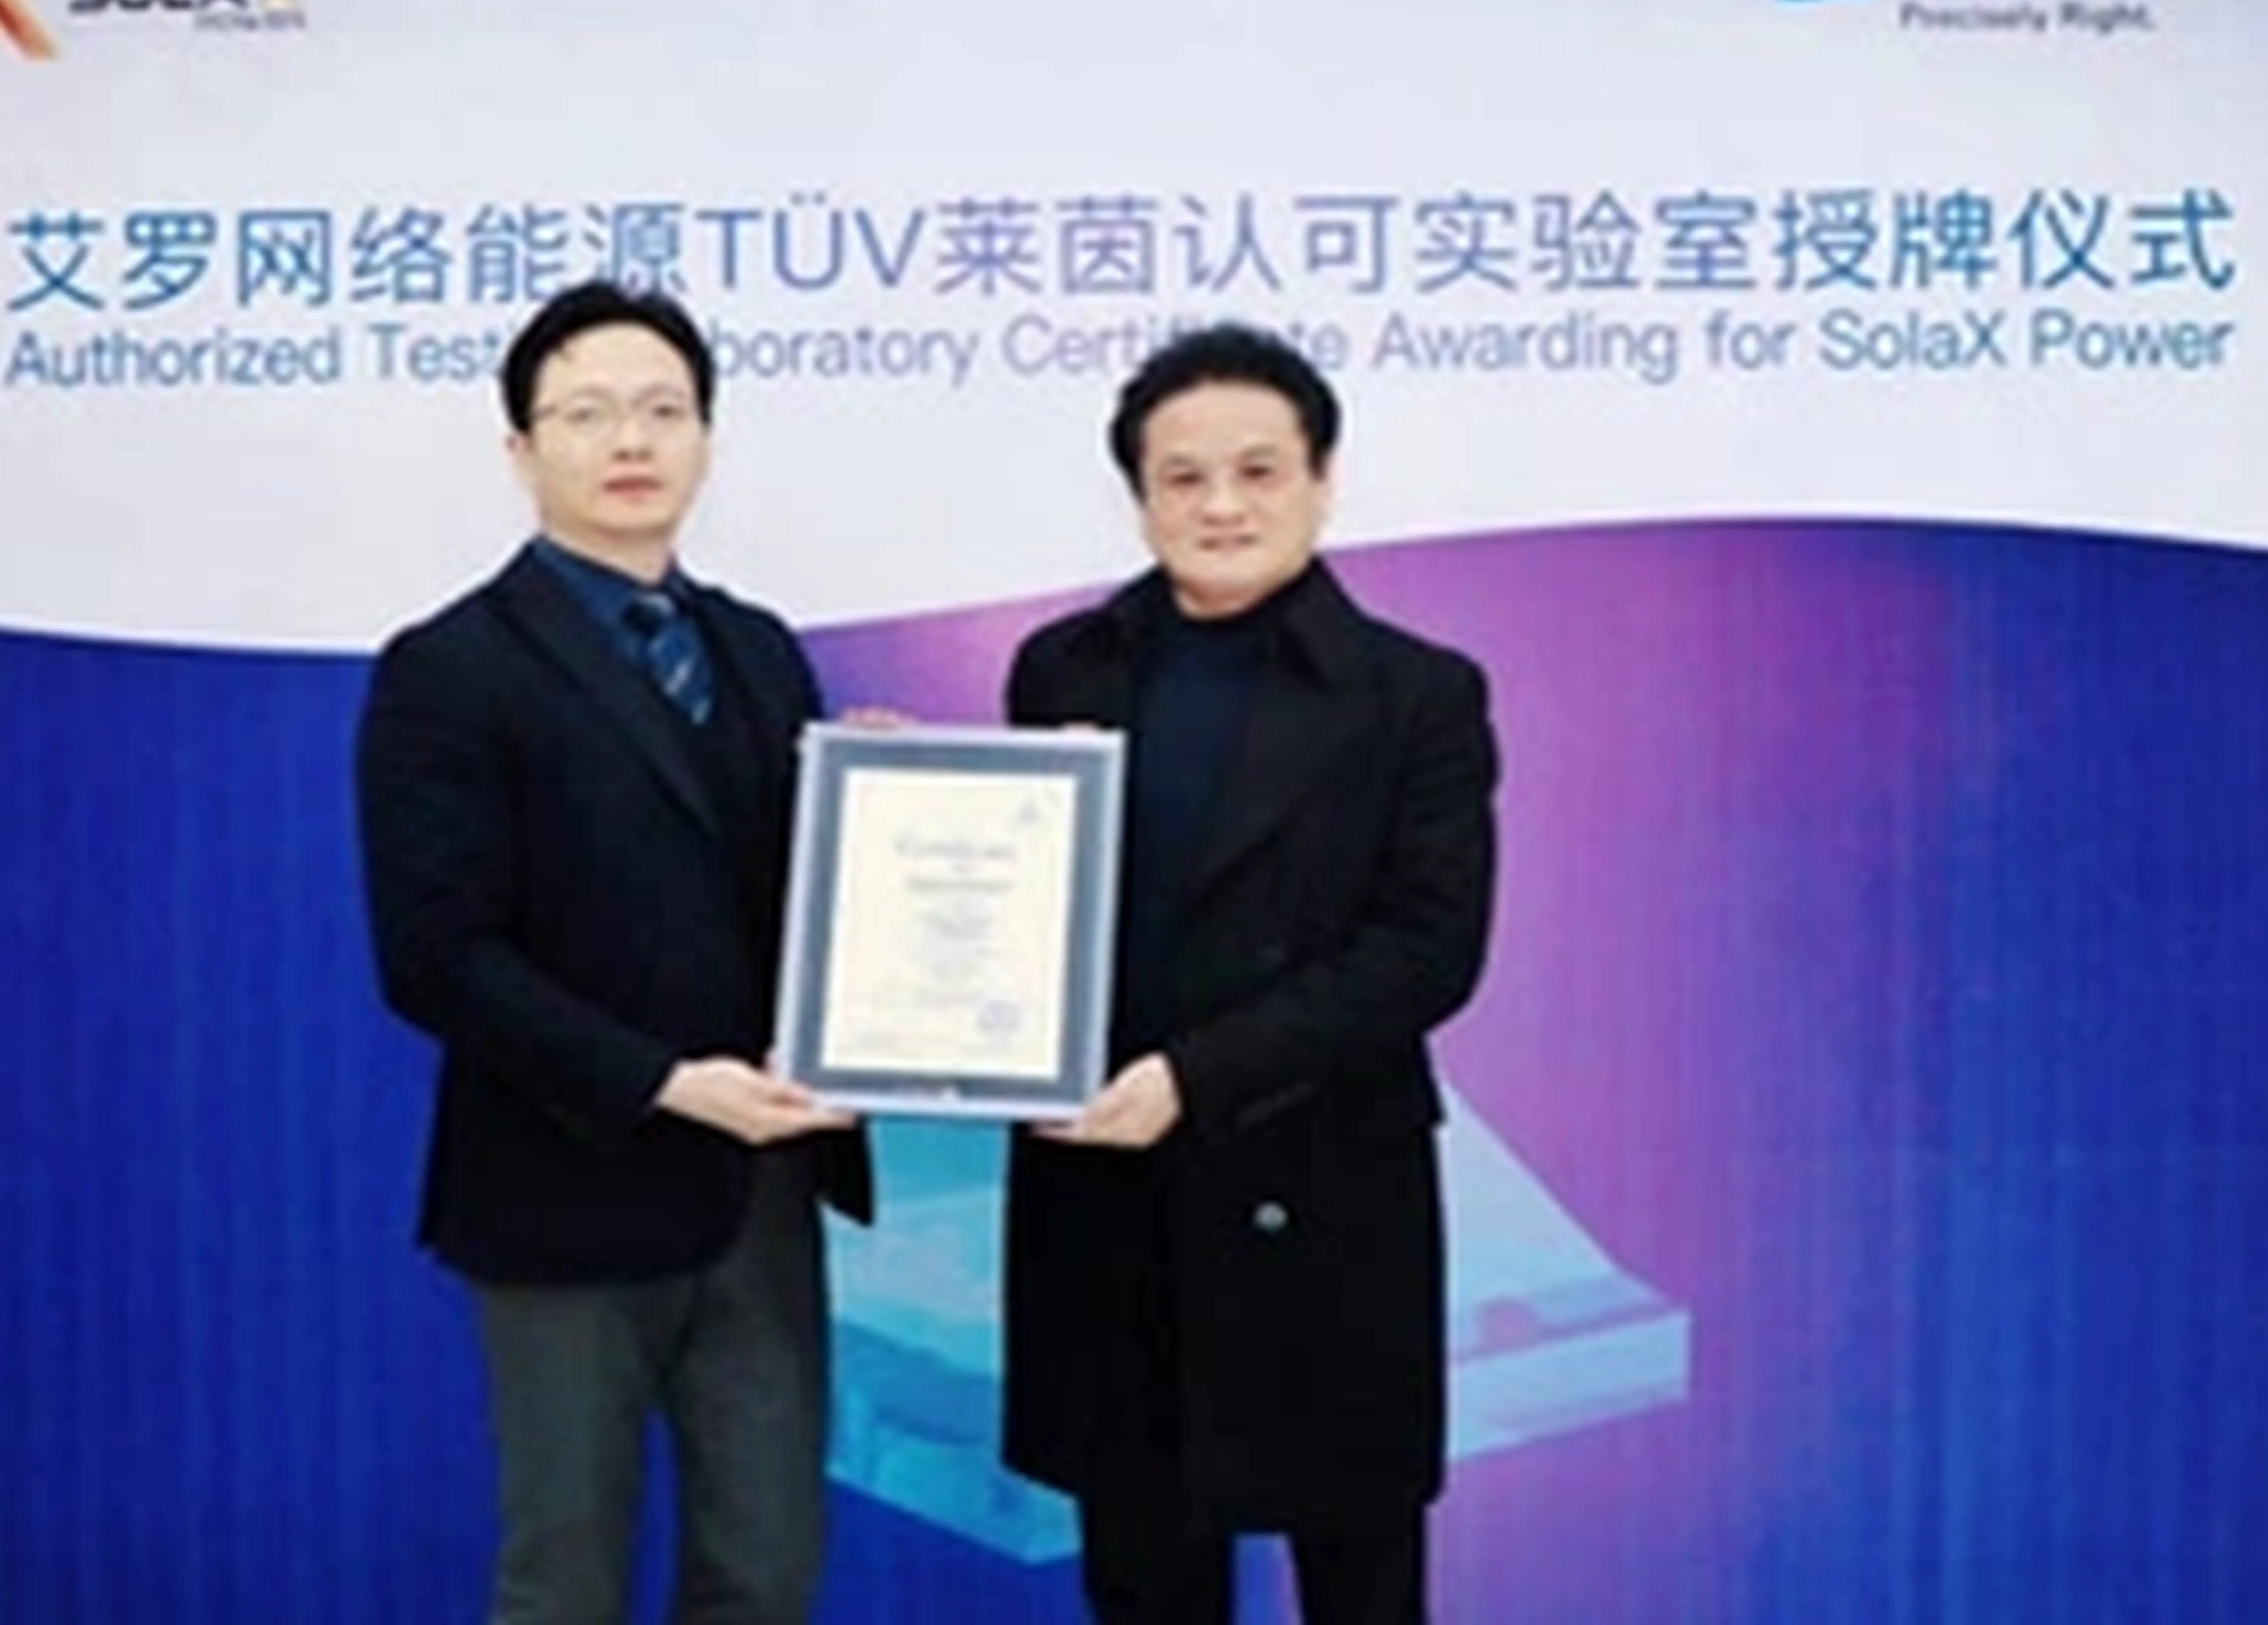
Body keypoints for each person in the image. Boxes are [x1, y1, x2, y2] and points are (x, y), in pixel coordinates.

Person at [354, 280, 870, 1625]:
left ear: (706, 437)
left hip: (759, 1195)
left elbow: (806, 901)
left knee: (765, 1575)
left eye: (662, 410)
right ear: (522, 449)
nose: (630, 440)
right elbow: (436, 957)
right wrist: (663, 1082)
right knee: (565, 1584)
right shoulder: (449, 666)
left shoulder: (759, 652)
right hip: (562, 1195)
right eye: (586, 413)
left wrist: (906, 813)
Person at [999, 325, 1500, 1625]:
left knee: (1358, 1580)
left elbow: (1426, 950)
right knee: (1143, 1574)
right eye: (1184, 477)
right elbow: (1029, 900)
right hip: (1115, 1194)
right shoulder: (1063, 668)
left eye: (1259, 471)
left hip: (1322, 1187)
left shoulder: (1417, 695)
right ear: (1139, 495)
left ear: (1322, 482)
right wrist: (909, 804)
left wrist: (1195, 1077)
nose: (1221, 505)